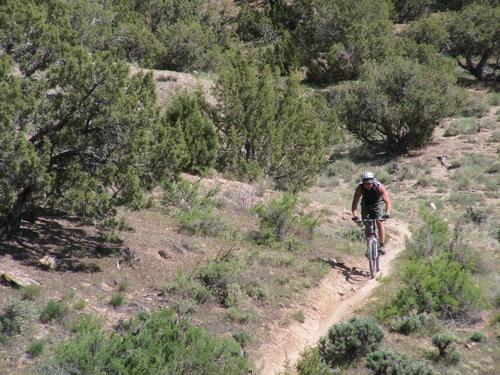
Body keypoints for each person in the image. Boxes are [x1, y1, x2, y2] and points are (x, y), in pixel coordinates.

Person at [351, 171, 392, 254]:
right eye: (365, 183)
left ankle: (382, 245)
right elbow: (355, 202)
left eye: (369, 183)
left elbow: (388, 201)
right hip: (366, 204)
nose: (367, 185)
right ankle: (368, 246)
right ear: (363, 182)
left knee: (379, 222)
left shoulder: (379, 187)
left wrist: (387, 213)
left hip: (378, 203)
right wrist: (355, 215)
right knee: (367, 224)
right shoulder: (360, 188)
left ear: (373, 181)